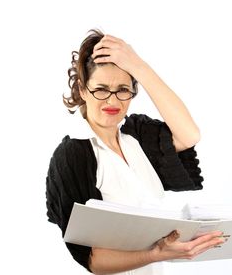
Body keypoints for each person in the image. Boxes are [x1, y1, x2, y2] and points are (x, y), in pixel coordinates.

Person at [46, 29, 224, 274]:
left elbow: (189, 135)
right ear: (83, 89)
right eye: (100, 89)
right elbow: (92, 259)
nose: (112, 101)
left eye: (123, 89)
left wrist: (137, 65)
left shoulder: (136, 138)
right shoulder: (73, 155)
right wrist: (154, 254)